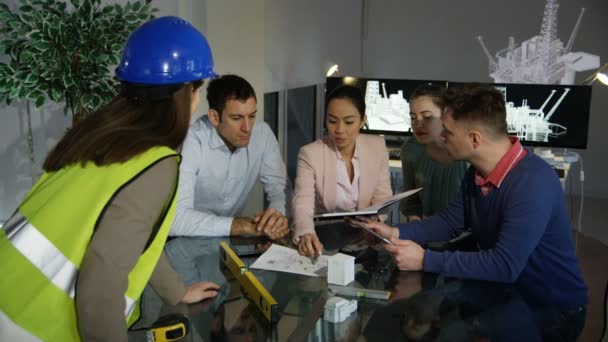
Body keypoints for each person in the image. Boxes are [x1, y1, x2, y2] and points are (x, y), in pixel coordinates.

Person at [0, 17, 221, 341]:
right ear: (184, 93)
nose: (198, 100)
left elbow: (137, 236)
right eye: (197, 88)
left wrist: (176, 292)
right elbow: (100, 290)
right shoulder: (155, 164)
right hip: (30, 324)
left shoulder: (105, 136)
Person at [363, 84, 588, 340]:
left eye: (448, 132)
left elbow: (504, 265)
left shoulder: (532, 182)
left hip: (549, 308)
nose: (442, 137)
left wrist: (426, 259)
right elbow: (450, 221)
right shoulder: (477, 172)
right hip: (507, 292)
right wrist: (394, 231)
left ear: (474, 139)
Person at [171, 74, 289, 240]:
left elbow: (277, 189)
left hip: (229, 243)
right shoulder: (191, 140)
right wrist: (241, 225)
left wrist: (275, 217)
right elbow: (176, 220)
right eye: (237, 118)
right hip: (183, 242)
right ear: (214, 117)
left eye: (252, 116)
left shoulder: (263, 134)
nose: (247, 128)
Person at [293, 85, 393, 257]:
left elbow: (382, 197)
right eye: (332, 121)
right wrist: (305, 232)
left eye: (348, 122)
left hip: (365, 240)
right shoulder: (310, 153)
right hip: (323, 241)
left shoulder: (377, 147)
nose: (339, 130)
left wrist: (374, 221)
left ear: (363, 120)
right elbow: (303, 201)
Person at [400, 84, 467, 221]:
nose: (418, 124)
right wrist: (416, 229)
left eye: (427, 117)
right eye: (413, 117)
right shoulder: (411, 149)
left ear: (446, 116)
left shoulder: (467, 150)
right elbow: (411, 204)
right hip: (426, 232)